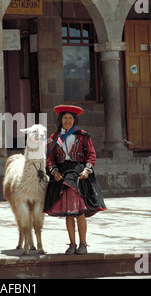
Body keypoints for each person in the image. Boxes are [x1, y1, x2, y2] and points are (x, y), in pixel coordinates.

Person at [44, 105, 106, 255]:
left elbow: (91, 155)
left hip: (78, 175)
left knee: (79, 212)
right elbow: (50, 159)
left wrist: (87, 170)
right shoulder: (54, 138)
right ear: (60, 120)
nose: (67, 121)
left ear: (74, 120)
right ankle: (72, 244)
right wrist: (54, 171)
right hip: (62, 176)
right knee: (68, 212)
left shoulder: (83, 136)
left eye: (70, 118)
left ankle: (83, 244)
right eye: (65, 118)